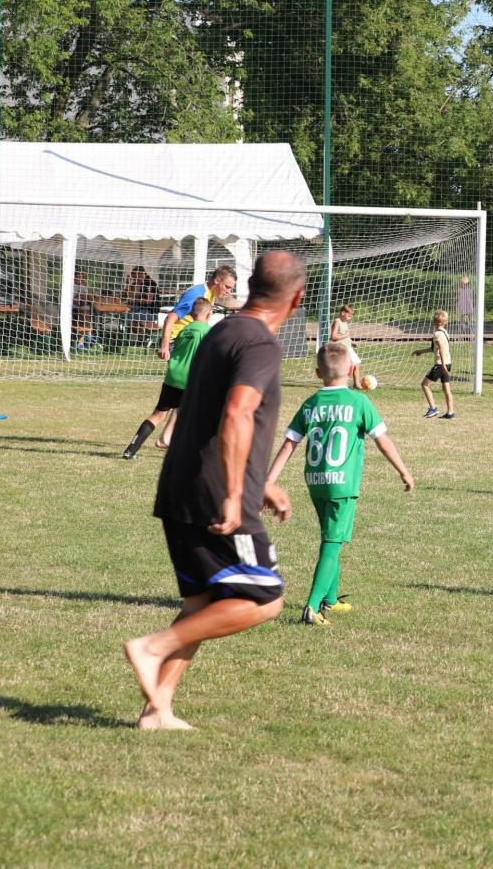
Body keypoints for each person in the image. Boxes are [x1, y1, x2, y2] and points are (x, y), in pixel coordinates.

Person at [122, 250, 306, 730]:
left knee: (202, 604)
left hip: (179, 483)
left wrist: (262, 479)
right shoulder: (260, 343)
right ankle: (151, 647)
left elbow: (211, 413)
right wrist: (233, 492)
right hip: (216, 491)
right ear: (298, 297)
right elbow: (237, 414)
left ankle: (156, 709)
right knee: (264, 598)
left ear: (246, 286)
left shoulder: (220, 330)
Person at [265, 341, 414, 626]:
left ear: (318, 373)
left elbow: (288, 445)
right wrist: (403, 471)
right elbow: (382, 441)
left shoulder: (310, 403)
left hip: (315, 481)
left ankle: (329, 600)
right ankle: (311, 607)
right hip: (342, 484)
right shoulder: (359, 402)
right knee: (332, 544)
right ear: (350, 370)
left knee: (329, 537)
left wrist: (268, 482)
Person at [122, 297, 213, 458]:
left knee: (158, 415)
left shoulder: (184, 330)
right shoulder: (206, 332)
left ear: (191, 314)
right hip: (190, 380)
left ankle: (131, 450)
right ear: (208, 315)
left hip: (172, 377)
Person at [158, 265, 237, 362]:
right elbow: (170, 318)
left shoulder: (210, 294)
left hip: (190, 340)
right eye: (227, 287)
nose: (228, 292)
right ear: (217, 281)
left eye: (231, 289)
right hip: (178, 341)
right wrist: (164, 346)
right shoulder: (196, 294)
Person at [413, 308, 456, 419]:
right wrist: (421, 351)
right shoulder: (445, 333)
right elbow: (434, 348)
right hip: (448, 363)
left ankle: (433, 408)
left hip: (440, 365)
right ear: (446, 322)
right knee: (446, 388)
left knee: (425, 384)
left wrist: (441, 365)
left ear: (433, 322)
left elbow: (440, 349)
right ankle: (450, 412)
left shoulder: (437, 334)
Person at [329, 303, 363, 390]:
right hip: (342, 348)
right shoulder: (337, 321)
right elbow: (333, 337)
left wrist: (351, 342)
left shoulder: (344, 322)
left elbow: (345, 335)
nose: (350, 318)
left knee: (355, 364)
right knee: (354, 364)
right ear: (343, 313)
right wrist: (345, 335)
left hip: (347, 347)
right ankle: (353, 384)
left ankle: (355, 384)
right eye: (349, 316)